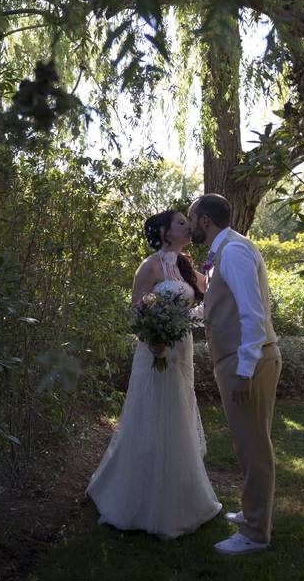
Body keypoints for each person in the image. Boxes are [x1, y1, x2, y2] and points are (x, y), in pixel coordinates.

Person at [85, 209, 222, 539]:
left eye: (187, 223)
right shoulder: (150, 265)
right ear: (163, 231)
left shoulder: (184, 264)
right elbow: (135, 310)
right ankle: (141, 496)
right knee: (152, 414)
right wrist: (154, 338)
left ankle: (182, 492)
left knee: (179, 411)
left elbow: (204, 299)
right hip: (156, 351)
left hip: (182, 348)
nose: (187, 227)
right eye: (180, 223)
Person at [188, 193, 281, 555]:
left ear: (205, 220)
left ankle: (256, 533)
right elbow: (223, 306)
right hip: (240, 360)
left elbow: (252, 314)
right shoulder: (223, 251)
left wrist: (244, 371)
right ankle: (252, 512)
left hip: (249, 362)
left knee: (254, 447)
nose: (191, 224)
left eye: (193, 218)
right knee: (249, 443)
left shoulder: (236, 251)